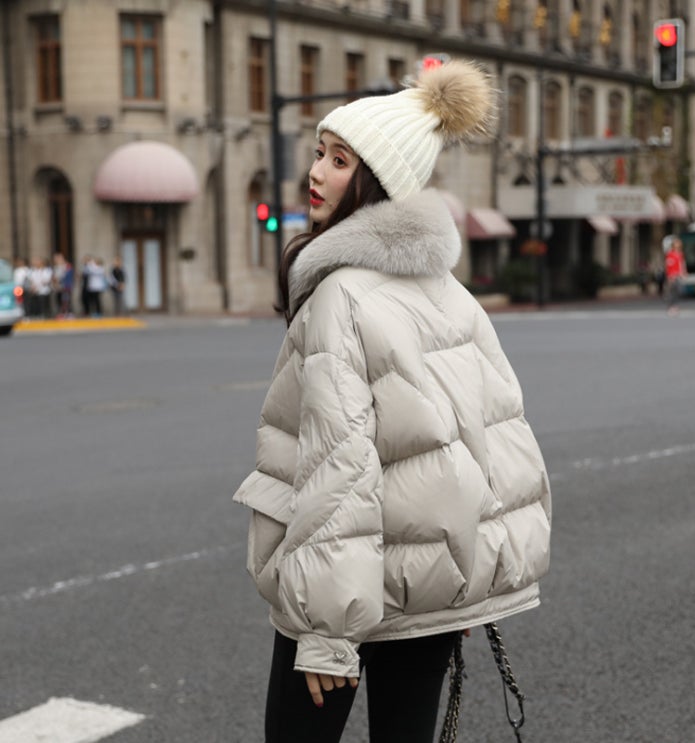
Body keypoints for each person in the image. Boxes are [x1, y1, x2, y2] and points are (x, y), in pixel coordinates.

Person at [233, 59, 551, 743]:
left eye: (339, 160)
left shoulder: (341, 293)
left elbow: (337, 465)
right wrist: (467, 578)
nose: (315, 172)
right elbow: (490, 439)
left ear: (376, 181)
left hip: (340, 588)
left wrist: (323, 631)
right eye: (319, 153)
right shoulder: (448, 291)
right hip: (430, 579)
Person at [664, 235, 687, 314]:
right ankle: (671, 307)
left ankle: (675, 306)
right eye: (676, 243)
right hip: (672, 276)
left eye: (679, 244)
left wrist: (684, 272)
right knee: (672, 292)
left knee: (679, 291)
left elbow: (682, 264)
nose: (678, 245)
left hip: (678, 275)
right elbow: (669, 265)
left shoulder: (680, 254)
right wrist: (670, 276)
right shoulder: (670, 254)